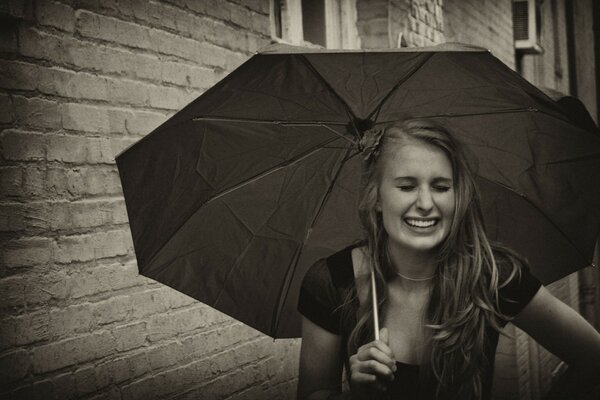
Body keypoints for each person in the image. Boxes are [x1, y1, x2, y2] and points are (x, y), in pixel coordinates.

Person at [296, 119, 600, 400]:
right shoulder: (331, 282)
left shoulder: (493, 275)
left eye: (441, 187)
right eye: (406, 186)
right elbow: (315, 391)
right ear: (376, 198)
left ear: (458, 196)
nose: (426, 204)